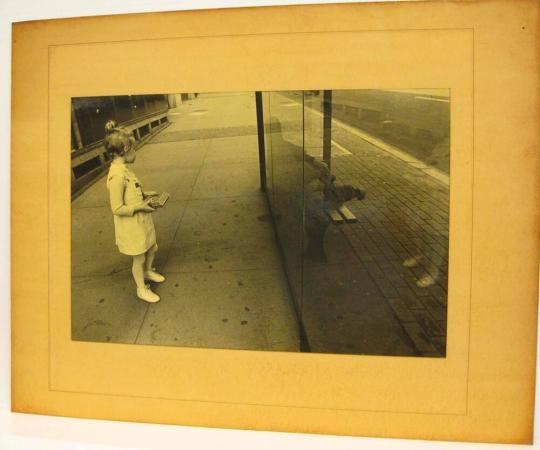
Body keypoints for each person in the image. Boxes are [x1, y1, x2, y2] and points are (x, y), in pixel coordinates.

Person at [104, 120, 165, 303]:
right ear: (123, 150)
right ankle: (141, 288)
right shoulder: (117, 176)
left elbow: (132, 191)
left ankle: (148, 271)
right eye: (133, 149)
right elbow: (117, 207)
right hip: (131, 224)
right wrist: (140, 206)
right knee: (138, 257)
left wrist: (145, 194)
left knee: (151, 246)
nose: (136, 153)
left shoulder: (125, 171)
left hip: (141, 220)